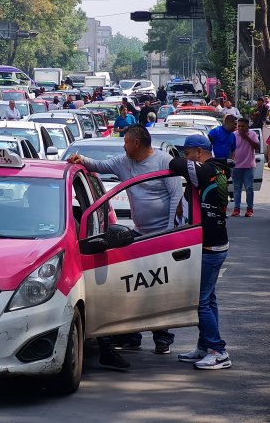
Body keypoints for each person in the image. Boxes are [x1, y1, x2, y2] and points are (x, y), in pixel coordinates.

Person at [68, 126, 183, 363]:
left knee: (159, 287)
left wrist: (171, 232)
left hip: (161, 236)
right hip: (138, 233)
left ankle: (162, 337)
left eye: (127, 142)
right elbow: (99, 166)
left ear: (138, 144)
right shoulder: (124, 162)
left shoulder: (163, 161)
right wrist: (81, 159)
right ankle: (131, 334)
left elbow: (175, 197)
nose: (123, 146)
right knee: (135, 287)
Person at [169, 136, 232, 370]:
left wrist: (181, 160)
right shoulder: (216, 169)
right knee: (209, 298)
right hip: (214, 244)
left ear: (198, 151)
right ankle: (205, 346)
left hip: (210, 247)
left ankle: (219, 351)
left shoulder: (205, 170)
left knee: (200, 302)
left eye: (188, 153)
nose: (186, 157)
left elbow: (174, 164)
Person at [231, 117, 259, 217]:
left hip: (249, 166)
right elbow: (230, 148)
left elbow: (257, 146)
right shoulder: (233, 135)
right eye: (239, 126)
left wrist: (246, 137)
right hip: (236, 166)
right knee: (237, 188)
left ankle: (249, 209)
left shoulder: (253, 134)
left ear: (247, 126)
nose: (240, 128)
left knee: (249, 188)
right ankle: (236, 209)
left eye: (243, 126)